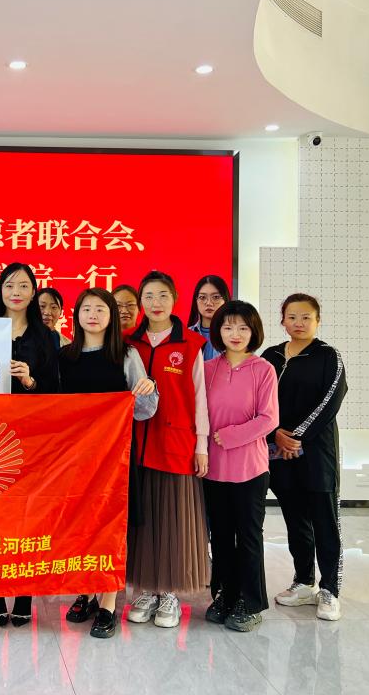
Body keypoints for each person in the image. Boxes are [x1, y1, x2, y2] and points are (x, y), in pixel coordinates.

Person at [59, 288, 157, 639]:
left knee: (112, 527)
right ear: (76, 315)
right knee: (79, 526)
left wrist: (148, 388)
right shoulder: (63, 356)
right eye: (86, 308)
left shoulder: (126, 354)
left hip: (115, 458)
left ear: (112, 316)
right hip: (74, 458)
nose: (93, 315)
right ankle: (85, 592)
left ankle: (108, 604)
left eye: (101, 309)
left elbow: (145, 411)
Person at [125, 270, 210, 629]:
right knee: (142, 522)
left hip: (176, 444)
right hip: (136, 446)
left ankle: (170, 593)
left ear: (174, 299)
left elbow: (201, 398)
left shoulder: (190, 344)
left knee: (174, 522)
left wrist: (202, 445)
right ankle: (146, 589)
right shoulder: (129, 343)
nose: (155, 303)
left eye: (162, 295)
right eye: (148, 296)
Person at [261, 293, 347, 622]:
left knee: (325, 521)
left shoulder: (327, 356)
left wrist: (296, 436)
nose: (299, 323)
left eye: (306, 317)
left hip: (317, 453)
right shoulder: (270, 356)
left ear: (317, 321)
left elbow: (331, 400)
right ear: (282, 320)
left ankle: (330, 589)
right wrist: (275, 434)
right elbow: (258, 400)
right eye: (292, 317)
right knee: (296, 520)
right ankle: (304, 582)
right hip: (279, 453)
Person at [0, 263, 61, 627]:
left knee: (28, 519)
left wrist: (30, 382)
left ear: (34, 293)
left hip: (30, 438)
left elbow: (56, 392)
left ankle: (24, 594)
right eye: (9, 285)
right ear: (0, 290)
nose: (15, 291)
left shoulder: (46, 337)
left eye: (23, 286)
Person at [202, 300, 278, 632]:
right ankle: (224, 594)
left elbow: (269, 418)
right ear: (218, 331)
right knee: (220, 536)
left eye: (243, 327)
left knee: (248, 536)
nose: (235, 333)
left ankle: (250, 601)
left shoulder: (263, 369)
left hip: (250, 468)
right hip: (213, 468)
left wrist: (231, 435)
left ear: (253, 331)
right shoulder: (207, 369)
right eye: (228, 326)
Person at [187, 275, 231, 361]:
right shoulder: (185, 335)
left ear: (225, 300)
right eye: (202, 297)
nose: (209, 303)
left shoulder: (234, 335)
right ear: (196, 301)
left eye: (216, 297)